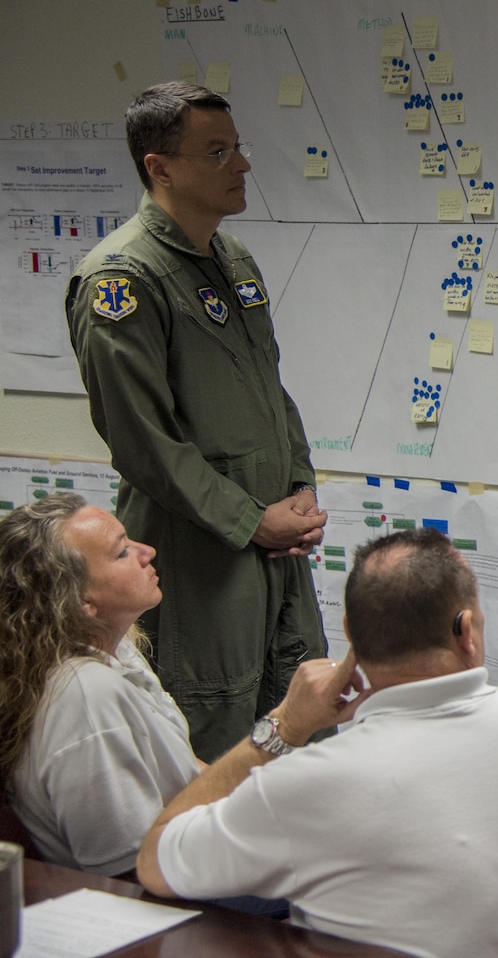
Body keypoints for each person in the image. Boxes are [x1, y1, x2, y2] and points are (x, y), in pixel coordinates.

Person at [137, 527, 498, 958]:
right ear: (466, 630)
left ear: (350, 641)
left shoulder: (303, 783)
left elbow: (155, 864)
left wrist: (285, 726)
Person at [66, 82, 327, 762]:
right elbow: (143, 442)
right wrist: (251, 520)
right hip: (199, 558)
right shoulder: (121, 280)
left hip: (275, 547)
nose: (241, 166)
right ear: (160, 168)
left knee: (298, 722)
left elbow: (271, 392)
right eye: (218, 152)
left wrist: (301, 491)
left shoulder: (233, 259)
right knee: (214, 740)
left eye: (237, 148)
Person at [0, 492, 199, 876]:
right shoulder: (86, 692)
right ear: (81, 602)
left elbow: (183, 768)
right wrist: (281, 731)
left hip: (185, 849)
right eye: (122, 552)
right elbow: (130, 870)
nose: (147, 552)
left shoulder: (119, 647)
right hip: (158, 886)